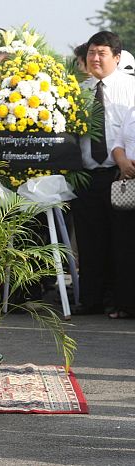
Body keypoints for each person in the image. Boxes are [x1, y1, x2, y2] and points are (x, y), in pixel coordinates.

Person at [71, 31, 135, 317]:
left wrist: (125, 163)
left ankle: (121, 300)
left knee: (121, 240)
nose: (95, 58)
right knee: (89, 237)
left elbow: (127, 131)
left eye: (102, 53)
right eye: (91, 53)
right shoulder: (77, 90)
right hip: (86, 174)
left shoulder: (129, 87)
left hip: (120, 174)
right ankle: (91, 298)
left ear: (117, 58)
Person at [110, 105, 135, 318]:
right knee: (126, 246)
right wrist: (123, 162)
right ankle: (127, 305)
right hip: (129, 184)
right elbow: (118, 144)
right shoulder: (132, 111)